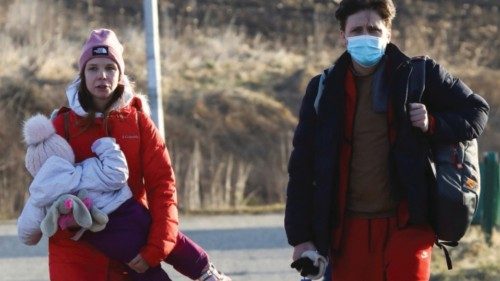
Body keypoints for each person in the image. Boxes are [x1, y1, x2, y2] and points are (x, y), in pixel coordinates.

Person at [284, 1, 489, 281]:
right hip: (346, 232)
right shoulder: (323, 89)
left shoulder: (420, 75)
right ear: (342, 36)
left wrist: (433, 123)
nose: (365, 36)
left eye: (374, 29)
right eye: (356, 30)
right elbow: (302, 168)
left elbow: (477, 112)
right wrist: (301, 239)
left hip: (408, 224)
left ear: (388, 33)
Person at [24, 28, 230, 281]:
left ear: (120, 74)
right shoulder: (60, 126)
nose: (102, 76)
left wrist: (156, 248)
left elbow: (162, 186)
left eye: (110, 68)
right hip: (75, 259)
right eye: (93, 68)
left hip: (133, 248)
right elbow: (44, 189)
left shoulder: (138, 123)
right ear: (82, 74)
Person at [17, 113, 229, 281]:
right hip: (128, 212)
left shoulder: (39, 197)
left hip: (107, 236)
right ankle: (205, 273)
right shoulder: (84, 170)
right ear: (66, 152)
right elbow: (117, 174)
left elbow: (27, 233)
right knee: (172, 242)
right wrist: (107, 146)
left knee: (141, 269)